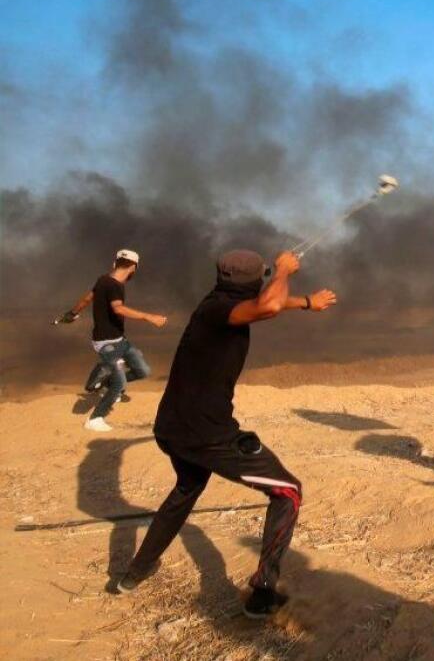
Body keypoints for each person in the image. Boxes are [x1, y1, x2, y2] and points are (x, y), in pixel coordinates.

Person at [116, 249, 337, 619]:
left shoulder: (217, 302)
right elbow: (266, 306)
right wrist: (282, 271)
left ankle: (134, 574)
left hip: (173, 428)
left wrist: (305, 302)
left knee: (187, 489)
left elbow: (267, 303)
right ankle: (263, 593)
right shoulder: (220, 311)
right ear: (255, 282)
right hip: (208, 435)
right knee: (288, 491)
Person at [57, 249, 168, 432]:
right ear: (133, 267)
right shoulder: (115, 285)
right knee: (120, 384)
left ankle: (105, 381)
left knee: (142, 371)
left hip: (120, 341)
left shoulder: (103, 280)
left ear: (115, 262)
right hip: (106, 343)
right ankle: (95, 418)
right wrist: (149, 317)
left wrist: (72, 313)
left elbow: (87, 298)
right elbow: (118, 308)